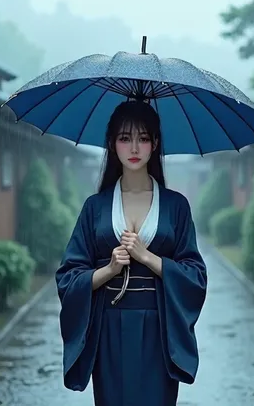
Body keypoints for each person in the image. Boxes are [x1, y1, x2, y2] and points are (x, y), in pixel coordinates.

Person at [55, 100, 208, 406]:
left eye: (144, 137)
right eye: (125, 138)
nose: (134, 147)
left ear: (155, 144)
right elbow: (68, 277)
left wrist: (148, 257)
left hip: (158, 329)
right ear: (112, 144)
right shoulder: (95, 207)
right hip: (108, 327)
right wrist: (109, 269)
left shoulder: (176, 206)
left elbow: (196, 275)